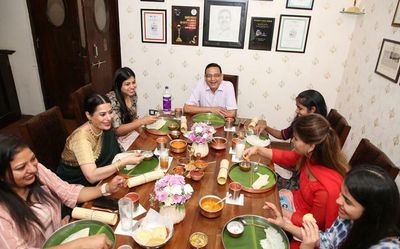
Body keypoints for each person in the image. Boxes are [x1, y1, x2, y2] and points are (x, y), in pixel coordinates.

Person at [0, 133, 125, 249]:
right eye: (21, 167)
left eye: (33, 159)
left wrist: (106, 188)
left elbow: (68, 192)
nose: (32, 169)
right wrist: (79, 244)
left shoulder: (37, 170)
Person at [243, 114, 349, 247]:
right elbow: (286, 157)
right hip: (294, 203)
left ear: (311, 146)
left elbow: (314, 225)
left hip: (305, 227)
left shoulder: (326, 189)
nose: (292, 141)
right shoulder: (310, 156)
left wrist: (284, 213)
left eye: (296, 139)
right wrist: (258, 149)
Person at [264, 165, 400, 249]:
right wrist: (283, 224)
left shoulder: (386, 247)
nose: (337, 201)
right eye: (341, 194)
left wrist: (306, 247)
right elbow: (326, 241)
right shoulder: (348, 218)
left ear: (371, 211)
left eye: (347, 201)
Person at [57, 93, 144, 186]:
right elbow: (91, 176)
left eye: (110, 112)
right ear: (88, 115)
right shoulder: (81, 138)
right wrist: (123, 162)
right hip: (78, 184)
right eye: (102, 114)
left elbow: (115, 152)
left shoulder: (103, 126)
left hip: (105, 174)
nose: (109, 118)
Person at [254, 89, 327, 140]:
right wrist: (265, 127)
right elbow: (282, 135)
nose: (296, 111)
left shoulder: (317, 133)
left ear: (312, 110)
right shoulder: (300, 121)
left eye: (300, 108)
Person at [106, 67, 157, 139]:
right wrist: (142, 121)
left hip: (129, 134)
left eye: (133, 82)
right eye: (127, 84)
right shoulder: (112, 100)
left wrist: (144, 137)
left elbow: (134, 120)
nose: (132, 87)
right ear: (118, 85)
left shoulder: (132, 95)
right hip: (115, 140)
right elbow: (117, 131)